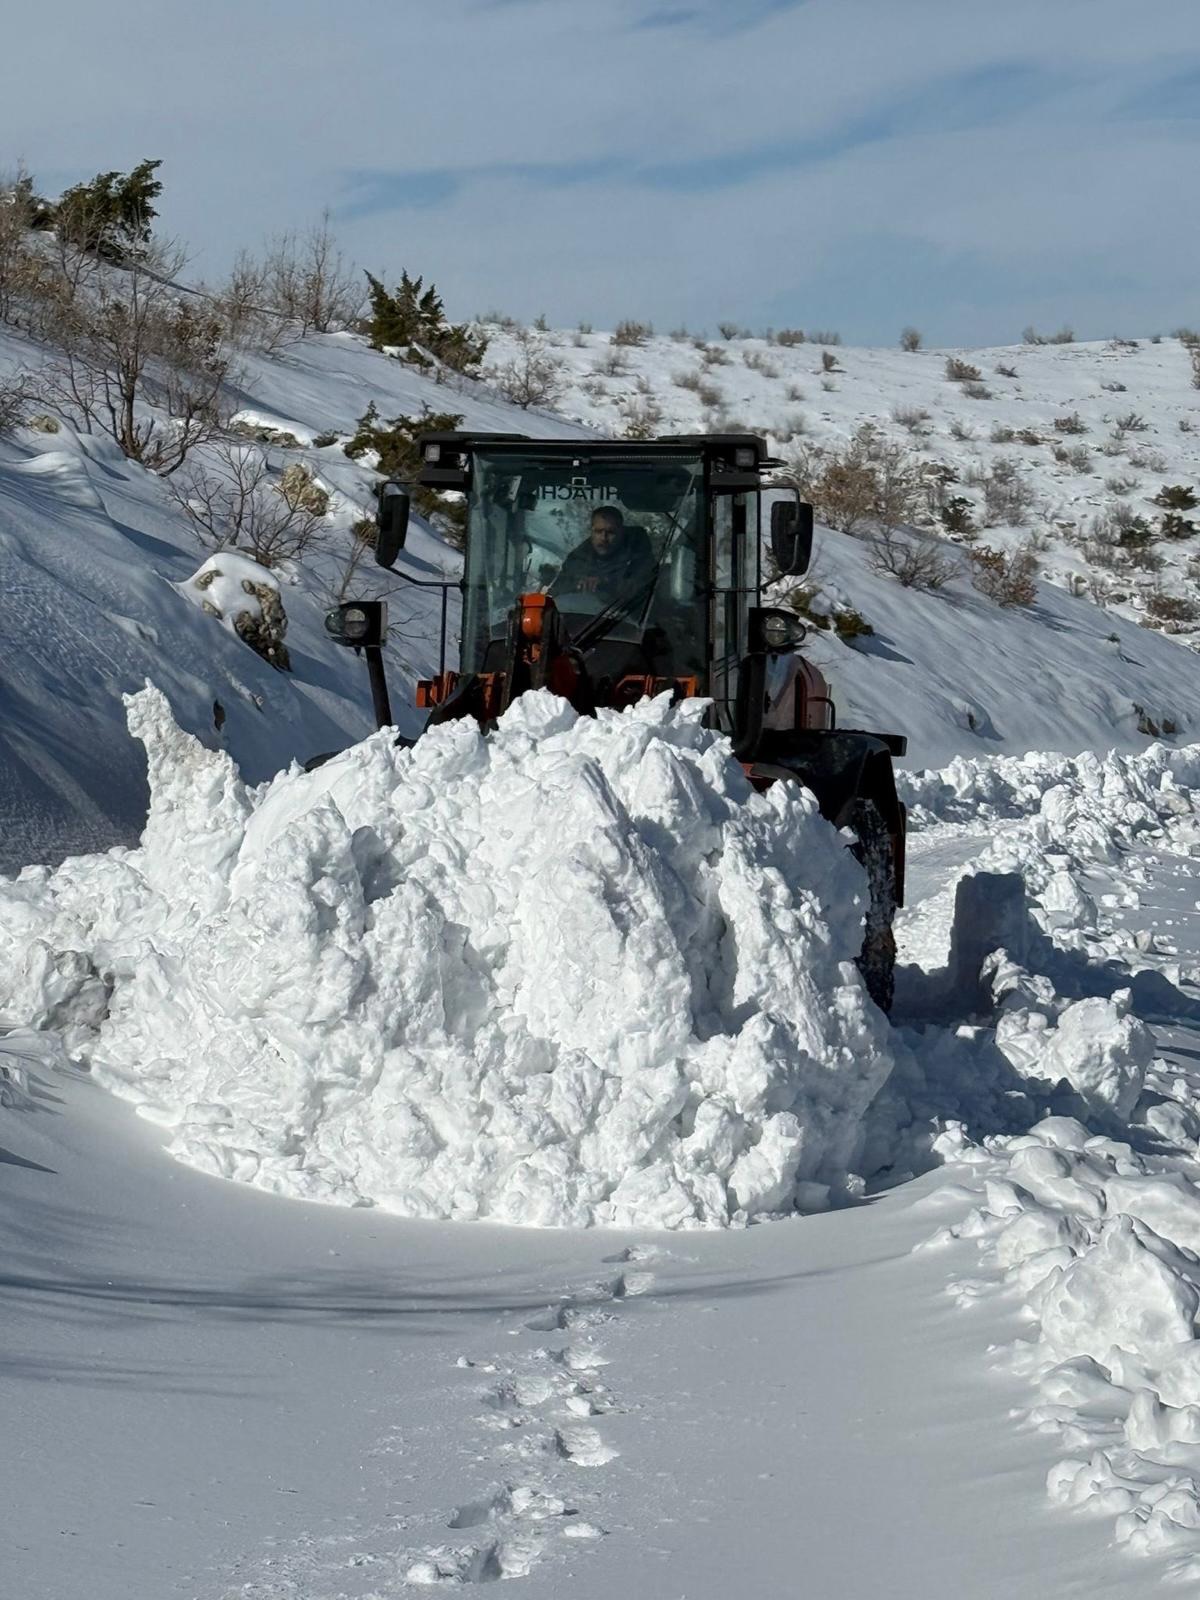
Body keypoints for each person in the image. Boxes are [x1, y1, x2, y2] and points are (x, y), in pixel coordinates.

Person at [552, 506, 655, 607]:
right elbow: (556, 593)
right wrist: (577, 583)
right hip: (583, 619)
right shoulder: (577, 559)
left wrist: (605, 582)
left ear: (621, 532)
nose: (603, 538)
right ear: (591, 531)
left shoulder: (638, 554)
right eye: (598, 531)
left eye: (610, 532)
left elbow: (641, 585)